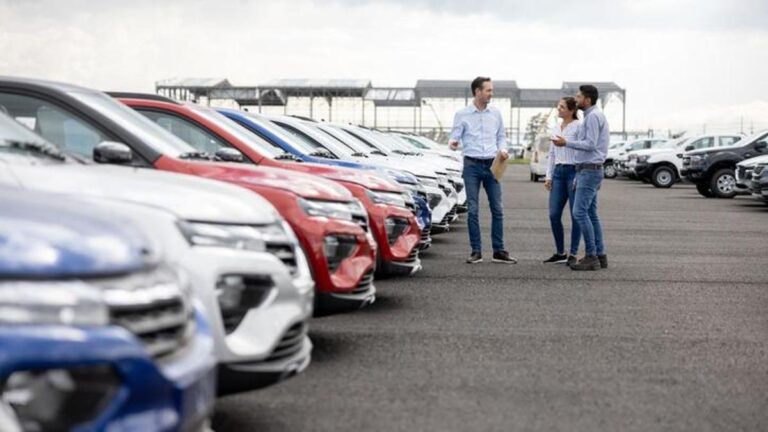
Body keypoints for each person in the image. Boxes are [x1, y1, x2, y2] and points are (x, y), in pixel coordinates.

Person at [448, 77, 516, 264]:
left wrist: (503, 150)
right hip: (471, 166)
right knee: (473, 210)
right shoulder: (462, 114)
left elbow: (501, 136)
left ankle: (498, 251)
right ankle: (476, 250)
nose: (491, 94)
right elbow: (454, 138)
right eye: (488, 90)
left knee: (498, 209)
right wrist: (453, 143)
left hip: (492, 165)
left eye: (491, 90)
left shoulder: (496, 113)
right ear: (477, 92)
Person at [552, 84, 609, 271]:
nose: (576, 99)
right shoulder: (594, 116)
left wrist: (566, 142)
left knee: (579, 213)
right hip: (588, 169)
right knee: (591, 214)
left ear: (588, 99)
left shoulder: (592, 117)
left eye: (578, 96)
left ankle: (591, 256)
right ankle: (600, 255)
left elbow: (590, 144)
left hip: (589, 170)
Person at [543, 97, 581, 266]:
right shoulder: (556, 127)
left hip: (573, 172)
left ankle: (573, 253)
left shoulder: (579, 127)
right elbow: (551, 153)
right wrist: (548, 176)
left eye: (562, 107)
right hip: (558, 172)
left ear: (571, 110)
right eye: (558, 106)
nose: (558, 109)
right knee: (553, 214)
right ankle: (560, 253)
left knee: (576, 215)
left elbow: (582, 151)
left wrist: (579, 176)